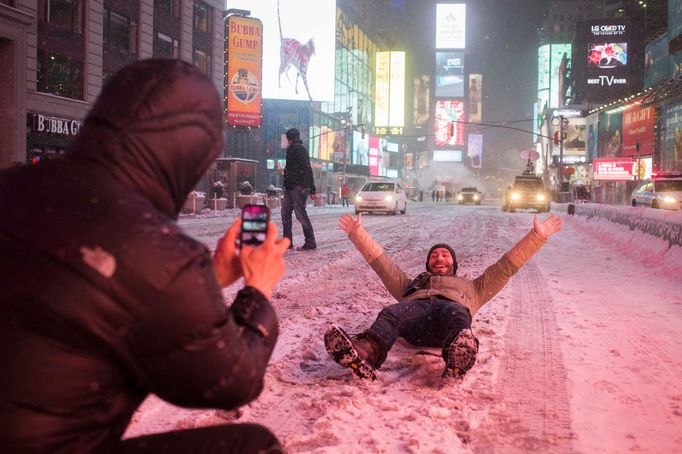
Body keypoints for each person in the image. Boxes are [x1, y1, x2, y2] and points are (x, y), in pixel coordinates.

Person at [0, 59, 291, 452]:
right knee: (252, 445)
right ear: (187, 155)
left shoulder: (13, 185)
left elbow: (112, 299)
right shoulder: (160, 253)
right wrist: (257, 288)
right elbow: (229, 380)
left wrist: (214, 277)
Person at [324, 212, 562, 380]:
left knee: (457, 312)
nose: (439, 258)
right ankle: (365, 352)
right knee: (391, 313)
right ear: (428, 263)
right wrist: (357, 233)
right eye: (435, 255)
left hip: (447, 328)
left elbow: (505, 267)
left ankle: (459, 355)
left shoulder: (474, 289)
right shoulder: (411, 287)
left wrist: (536, 237)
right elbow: (381, 263)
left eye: (445, 255)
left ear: (453, 264)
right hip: (414, 324)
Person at [282, 127, 317, 251]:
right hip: (291, 186)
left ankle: (310, 241)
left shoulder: (299, 149)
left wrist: (312, 189)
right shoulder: (292, 150)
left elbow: (307, 169)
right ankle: (287, 241)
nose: (288, 141)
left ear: (290, 138)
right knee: (286, 213)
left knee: (299, 214)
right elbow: (299, 169)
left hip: (299, 186)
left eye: (288, 138)